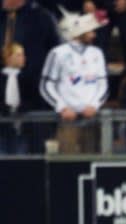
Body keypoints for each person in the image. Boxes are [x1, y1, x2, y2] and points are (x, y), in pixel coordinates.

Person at [39, 8, 109, 154]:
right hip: (67, 121)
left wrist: (94, 105)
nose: (94, 34)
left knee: (93, 159)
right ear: (80, 32)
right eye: (91, 31)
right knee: (67, 162)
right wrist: (62, 107)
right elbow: (46, 85)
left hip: (92, 118)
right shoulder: (58, 53)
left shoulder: (97, 53)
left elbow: (103, 84)